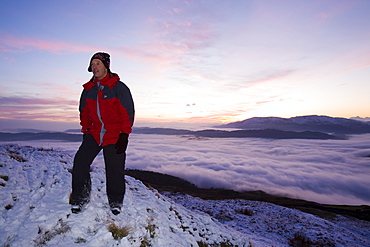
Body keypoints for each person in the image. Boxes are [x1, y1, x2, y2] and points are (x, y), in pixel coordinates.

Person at [71, 52, 134, 215]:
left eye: (98, 63)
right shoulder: (88, 90)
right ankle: (80, 198)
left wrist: (124, 134)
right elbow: (83, 112)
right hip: (94, 133)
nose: (94, 67)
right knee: (80, 162)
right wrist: (86, 130)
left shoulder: (119, 88)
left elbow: (128, 112)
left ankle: (115, 201)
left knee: (114, 168)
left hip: (114, 134)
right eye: (92, 64)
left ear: (106, 66)